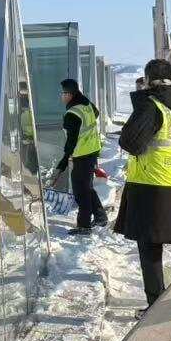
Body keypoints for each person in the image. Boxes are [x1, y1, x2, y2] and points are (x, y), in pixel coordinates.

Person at [115, 58, 171, 307]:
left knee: (150, 248)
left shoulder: (152, 106)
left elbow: (130, 142)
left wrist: (140, 103)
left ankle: (155, 306)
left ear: (147, 79)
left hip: (156, 189)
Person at [53, 78, 107, 235]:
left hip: (82, 155)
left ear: (70, 94)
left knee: (80, 191)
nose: (62, 97)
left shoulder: (72, 114)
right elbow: (95, 113)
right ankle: (100, 216)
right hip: (92, 151)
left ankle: (84, 226)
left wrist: (63, 163)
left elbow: (71, 142)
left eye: (63, 94)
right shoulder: (86, 104)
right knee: (86, 187)